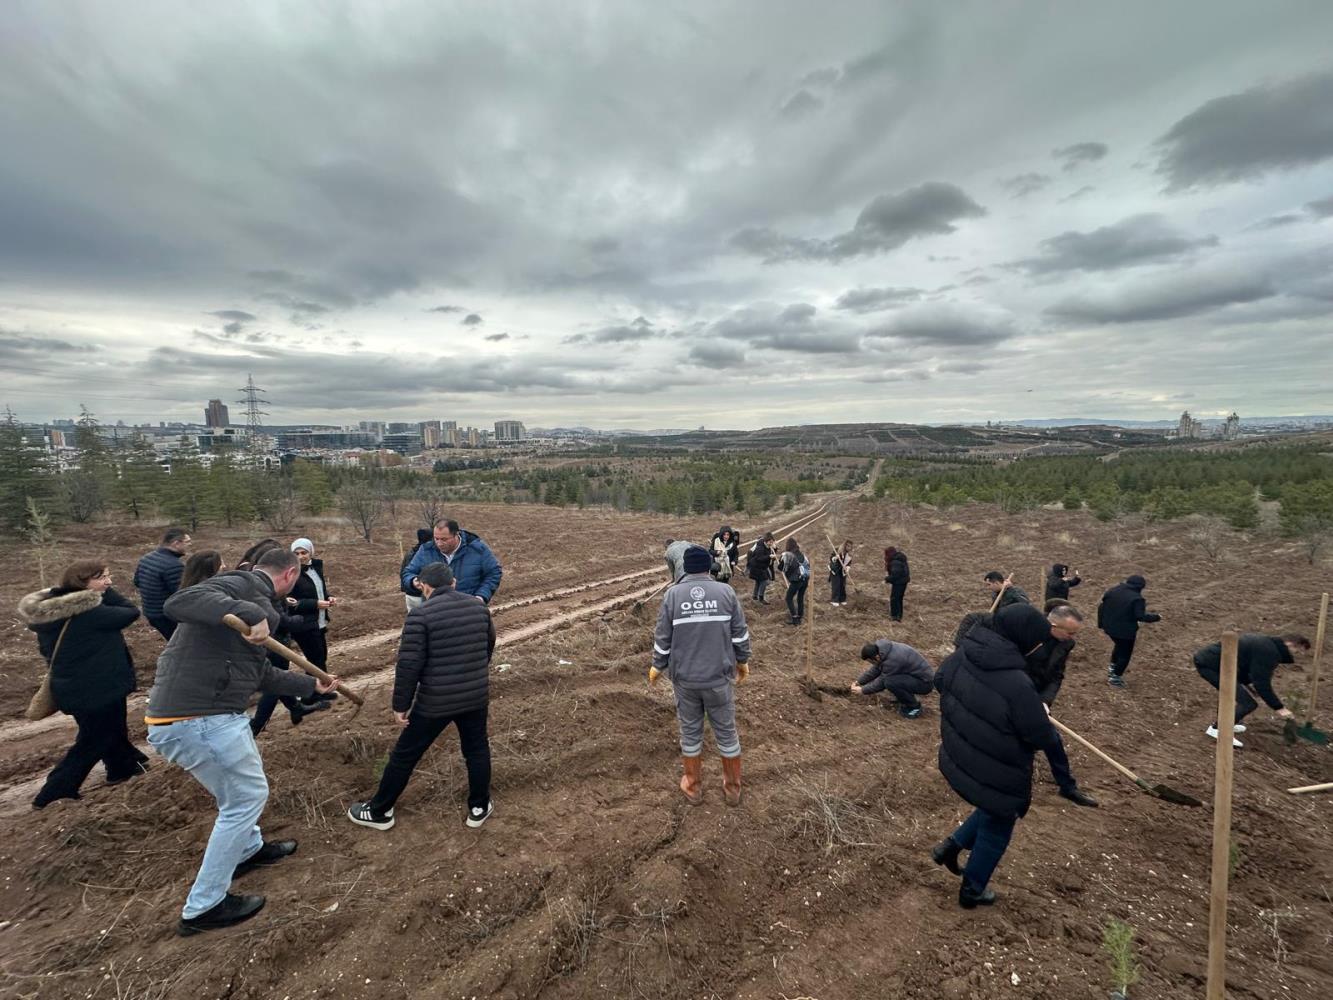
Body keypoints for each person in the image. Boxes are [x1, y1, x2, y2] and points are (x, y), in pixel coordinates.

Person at [145, 547, 340, 935]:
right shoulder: (243, 584)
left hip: (201, 717)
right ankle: (203, 907)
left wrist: (310, 684)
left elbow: (261, 676)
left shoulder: (255, 602)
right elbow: (180, 600)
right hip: (199, 718)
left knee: (236, 795)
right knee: (246, 798)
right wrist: (254, 615)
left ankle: (249, 850)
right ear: (287, 574)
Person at [931, 604, 1062, 909]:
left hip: (961, 753)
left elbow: (940, 681)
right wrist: (1038, 711)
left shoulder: (963, 654)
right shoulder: (1017, 684)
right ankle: (972, 889)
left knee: (992, 806)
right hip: (998, 766)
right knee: (1000, 821)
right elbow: (1041, 736)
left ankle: (951, 847)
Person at [348, 562, 496, 831]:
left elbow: (409, 666)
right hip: (475, 697)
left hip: (434, 703)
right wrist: (472, 674)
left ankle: (379, 811)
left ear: (425, 587)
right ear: (453, 583)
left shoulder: (420, 616)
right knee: (476, 749)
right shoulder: (478, 607)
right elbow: (488, 646)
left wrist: (400, 705)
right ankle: (479, 806)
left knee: (405, 755)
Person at [19, 561, 148, 809]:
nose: (109, 582)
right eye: (102, 578)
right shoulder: (90, 613)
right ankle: (54, 792)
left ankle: (123, 766)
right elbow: (130, 611)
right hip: (98, 687)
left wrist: (93, 591)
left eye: (109, 577)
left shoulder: (52, 611)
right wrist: (104, 594)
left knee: (110, 729)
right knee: (93, 739)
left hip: (76, 686)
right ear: (82, 583)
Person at [650, 545, 751, 805]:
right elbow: (740, 633)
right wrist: (743, 661)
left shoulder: (672, 596)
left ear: (685, 567)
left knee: (691, 733)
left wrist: (657, 666)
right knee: (727, 733)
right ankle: (732, 789)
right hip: (719, 679)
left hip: (685, 681)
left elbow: (663, 638)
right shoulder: (726, 592)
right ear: (708, 567)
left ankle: (693, 788)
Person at [241, 540, 327, 733]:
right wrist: (301, 620)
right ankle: (256, 726)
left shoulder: (251, 576)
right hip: (273, 640)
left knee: (279, 674)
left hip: (270, 638)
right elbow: (278, 619)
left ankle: (295, 708)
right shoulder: (264, 585)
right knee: (275, 681)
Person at [1028, 604, 1098, 807]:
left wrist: (1044, 701)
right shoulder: (1029, 636)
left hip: (1039, 698)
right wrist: (1026, 698)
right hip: (1015, 695)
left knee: (1053, 741)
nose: (1072, 637)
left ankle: (1068, 787)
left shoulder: (1066, 643)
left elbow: (1057, 676)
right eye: (1070, 632)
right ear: (1053, 625)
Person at [1193, 633, 1310, 748]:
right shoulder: (1269, 652)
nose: (1297, 655)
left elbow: (1246, 664)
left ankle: (1225, 724)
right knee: (1248, 703)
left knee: (1235, 695)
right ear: (1290, 644)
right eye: (1298, 651)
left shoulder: (1267, 645)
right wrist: (1279, 708)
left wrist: (1247, 684)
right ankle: (1219, 730)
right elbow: (1262, 682)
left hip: (1220, 665)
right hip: (1211, 666)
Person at [401, 519, 502, 605]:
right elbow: (408, 573)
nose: (439, 543)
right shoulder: (426, 550)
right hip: (434, 611)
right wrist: (413, 581)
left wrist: (481, 596)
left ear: (456, 535)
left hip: (468, 608)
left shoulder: (477, 549)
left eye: (444, 539)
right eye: (436, 539)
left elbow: (494, 573)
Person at [286, 537, 336, 697]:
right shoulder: (290, 573)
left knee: (320, 657)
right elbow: (289, 602)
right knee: (316, 660)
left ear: (311, 552)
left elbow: (318, 589)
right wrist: (314, 604)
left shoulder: (316, 567)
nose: (300, 557)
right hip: (303, 624)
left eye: (304, 552)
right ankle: (319, 693)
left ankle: (311, 692)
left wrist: (328, 597)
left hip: (319, 621)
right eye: (296, 553)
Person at [1097, 575, 1161, 687]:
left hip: (1109, 627)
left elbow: (1103, 605)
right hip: (1125, 633)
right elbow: (1140, 616)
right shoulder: (1137, 599)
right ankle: (1115, 678)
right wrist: (1157, 617)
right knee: (1125, 655)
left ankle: (1112, 667)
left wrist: (1101, 623)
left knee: (1118, 646)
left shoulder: (1114, 590)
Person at [850, 639, 934, 717]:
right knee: (892, 680)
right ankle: (903, 698)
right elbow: (876, 669)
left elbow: (881, 683)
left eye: (870, 661)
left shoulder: (892, 660)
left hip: (925, 683)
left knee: (890, 682)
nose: (871, 664)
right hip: (913, 676)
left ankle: (914, 707)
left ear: (876, 657)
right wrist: (859, 681)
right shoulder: (882, 651)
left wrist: (862, 690)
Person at [133, 527, 190, 639]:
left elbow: (137, 582)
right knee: (182, 644)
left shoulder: (147, 557)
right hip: (167, 616)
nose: (190, 544)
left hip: (151, 613)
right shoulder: (174, 565)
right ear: (176, 543)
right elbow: (182, 594)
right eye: (187, 542)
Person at [778, 538, 810, 626]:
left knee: (788, 598)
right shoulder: (802, 555)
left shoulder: (787, 555)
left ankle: (795, 619)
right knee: (800, 597)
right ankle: (800, 615)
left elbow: (780, 568)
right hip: (805, 579)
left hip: (796, 581)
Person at [402, 528, 431, 612]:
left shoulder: (410, 552)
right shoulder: (425, 554)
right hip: (421, 595)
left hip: (409, 594)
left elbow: (403, 572)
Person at [746, 533, 776, 604]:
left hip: (761, 567)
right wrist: (769, 556)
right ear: (766, 541)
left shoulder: (768, 546)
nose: (771, 543)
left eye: (772, 542)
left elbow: (769, 555)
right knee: (764, 581)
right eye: (770, 542)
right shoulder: (760, 548)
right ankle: (761, 598)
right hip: (756, 567)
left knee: (758, 581)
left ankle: (754, 596)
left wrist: (773, 554)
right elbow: (759, 558)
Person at [884, 546, 910, 622]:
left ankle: (895, 616)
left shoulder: (895, 562)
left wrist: (887, 579)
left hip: (899, 583)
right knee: (899, 599)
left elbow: (895, 575)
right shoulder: (899, 559)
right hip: (903, 582)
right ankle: (899, 615)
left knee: (894, 599)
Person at [829, 540, 852, 606]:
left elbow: (849, 562)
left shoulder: (849, 554)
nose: (849, 548)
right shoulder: (837, 550)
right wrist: (836, 557)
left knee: (842, 585)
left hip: (843, 571)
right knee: (836, 585)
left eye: (850, 547)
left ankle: (842, 599)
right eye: (848, 546)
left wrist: (848, 568)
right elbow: (831, 558)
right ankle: (835, 600)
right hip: (835, 570)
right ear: (845, 545)